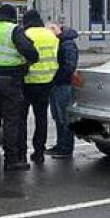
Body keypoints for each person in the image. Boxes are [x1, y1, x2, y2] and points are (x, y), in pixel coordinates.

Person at [0, 4, 38, 171]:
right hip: (10, 80)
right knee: (11, 120)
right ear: (12, 16)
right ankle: (11, 159)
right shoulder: (13, 29)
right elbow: (28, 50)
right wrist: (30, 60)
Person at [21, 10, 59, 163]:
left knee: (21, 119)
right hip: (46, 81)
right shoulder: (51, 35)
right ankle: (39, 151)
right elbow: (56, 56)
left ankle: (21, 151)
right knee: (41, 118)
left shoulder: (24, 34)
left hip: (27, 82)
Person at [46, 22, 79, 159]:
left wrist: (57, 77)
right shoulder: (62, 42)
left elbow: (69, 66)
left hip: (63, 85)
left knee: (64, 117)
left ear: (55, 29)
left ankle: (65, 147)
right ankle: (61, 145)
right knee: (58, 116)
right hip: (57, 84)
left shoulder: (67, 44)